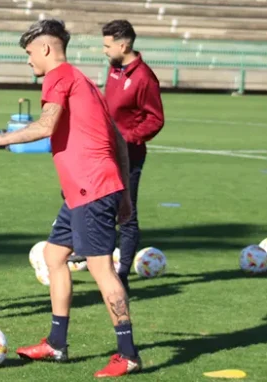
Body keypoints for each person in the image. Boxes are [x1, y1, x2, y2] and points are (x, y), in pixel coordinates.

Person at [0, 19, 141, 377]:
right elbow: (120, 143)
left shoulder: (59, 77)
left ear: (46, 49)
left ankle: (127, 353)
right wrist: (123, 195)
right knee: (53, 255)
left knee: (101, 270)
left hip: (91, 190)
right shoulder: (85, 82)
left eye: (30, 53)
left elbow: (45, 126)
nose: (29, 60)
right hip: (87, 190)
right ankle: (56, 343)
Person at [101, 19, 165, 293]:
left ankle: (123, 274)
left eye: (107, 45)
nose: (104, 50)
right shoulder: (114, 69)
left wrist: (127, 139)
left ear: (123, 44)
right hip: (104, 151)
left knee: (126, 213)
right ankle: (96, 258)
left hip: (129, 155)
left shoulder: (144, 77)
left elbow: (155, 119)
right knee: (93, 203)